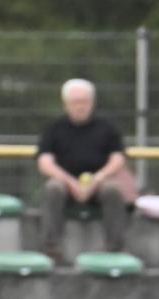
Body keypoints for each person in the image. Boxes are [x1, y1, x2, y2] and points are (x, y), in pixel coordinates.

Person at [36, 78, 134, 259]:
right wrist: (71, 183)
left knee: (112, 190)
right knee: (52, 188)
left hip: (99, 182)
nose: (80, 106)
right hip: (65, 184)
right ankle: (51, 248)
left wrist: (97, 179)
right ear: (65, 104)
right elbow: (45, 162)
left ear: (92, 103)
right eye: (75, 102)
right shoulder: (54, 128)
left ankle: (116, 249)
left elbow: (118, 158)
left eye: (84, 101)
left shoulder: (107, 127)